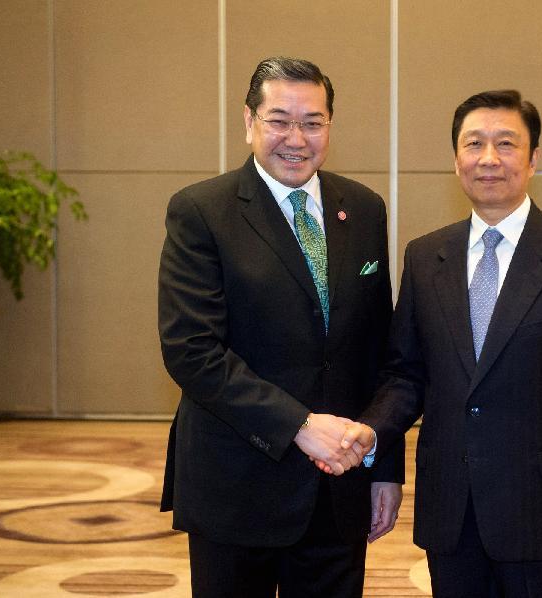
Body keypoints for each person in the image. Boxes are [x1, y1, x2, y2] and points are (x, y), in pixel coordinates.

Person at [355, 90, 542, 597]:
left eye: (506, 143)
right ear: (456, 158)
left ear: (533, 158)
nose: (488, 158)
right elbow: (405, 374)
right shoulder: (425, 256)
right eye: (474, 143)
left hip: (541, 512)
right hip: (450, 512)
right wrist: (372, 436)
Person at [158, 56, 404, 598]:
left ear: (330, 126)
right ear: (249, 121)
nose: (296, 139)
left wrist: (383, 464)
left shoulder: (363, 209)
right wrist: (299, 424)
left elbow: (378, 350)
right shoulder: (201, 211)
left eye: (313, 122)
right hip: (236, 484)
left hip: (339, 488)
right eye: (279, 120)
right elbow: (192, 351)